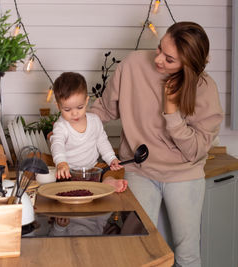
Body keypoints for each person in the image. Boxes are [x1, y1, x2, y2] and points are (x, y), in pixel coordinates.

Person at [90, 21, 223, 267]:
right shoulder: (132, 65)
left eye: (169, 59)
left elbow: (195, 150)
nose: (158, 60)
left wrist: (172, 114)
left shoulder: (205, 89)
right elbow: (105, 110)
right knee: (135, 247)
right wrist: (72, 128)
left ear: (189, 66)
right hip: (139, 171)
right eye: (160, 48)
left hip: (184, 173)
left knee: (187, 253)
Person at [50, 72, 128, 192]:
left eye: (79, 107)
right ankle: (70, 184)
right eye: (67, 109)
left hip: (92, 168)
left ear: (86, 101)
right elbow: (57, 145)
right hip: (69, 170)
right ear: (58, 106)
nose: (75, 113)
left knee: (118, 168)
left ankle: (108, 181)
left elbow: (102, 142)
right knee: (54, 171)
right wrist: (61, 163)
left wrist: (111, 159)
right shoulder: (61, 126)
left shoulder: (94, 120)